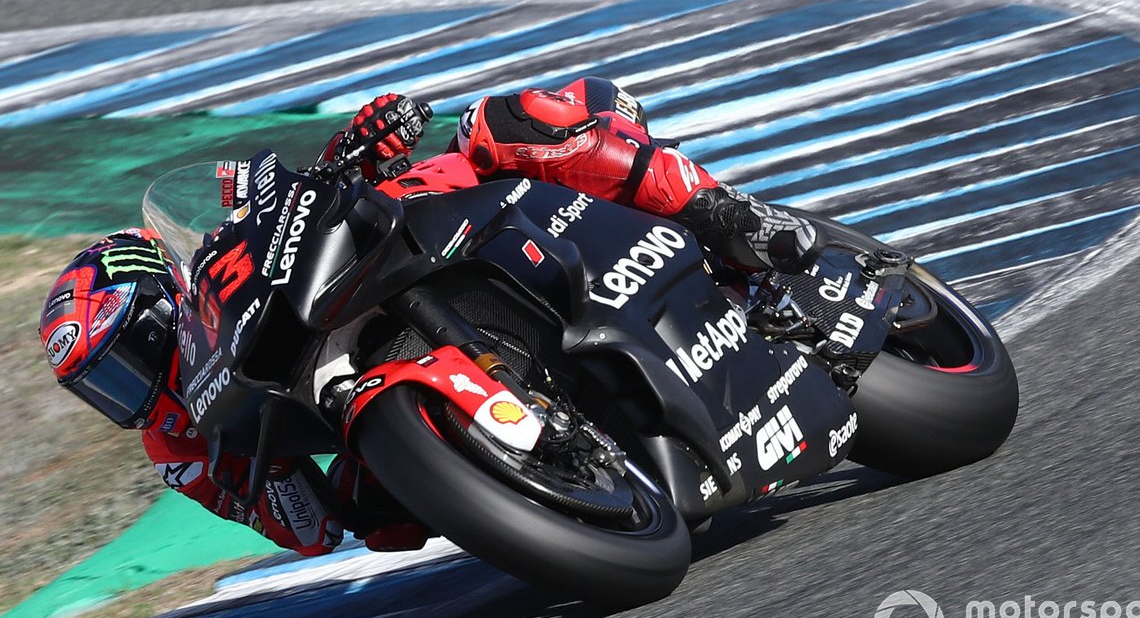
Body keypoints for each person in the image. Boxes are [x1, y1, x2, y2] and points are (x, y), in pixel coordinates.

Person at [38, 77, 820, 557]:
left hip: (403, 243)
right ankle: (543, 463)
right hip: (359, 408)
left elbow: (274, 189)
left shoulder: (216, 255)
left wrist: (356, 146)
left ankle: (725, 215)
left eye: (127, 353)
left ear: (160, 293)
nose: (130, 386)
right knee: (381, 519)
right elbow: (308, 531)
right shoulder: (173, 439)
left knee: (499, 126)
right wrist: (271, 495)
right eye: (102, 385)